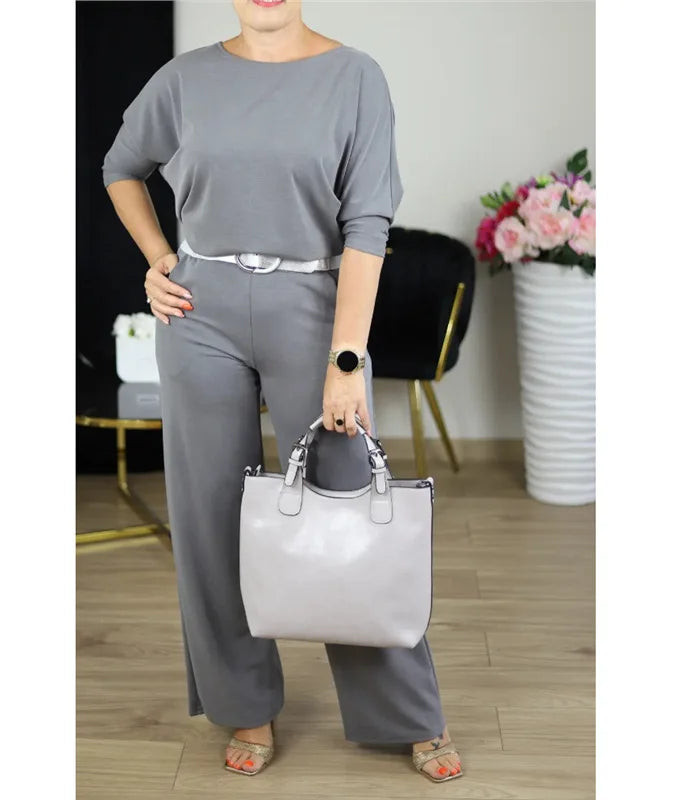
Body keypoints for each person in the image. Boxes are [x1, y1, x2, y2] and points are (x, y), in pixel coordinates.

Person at [102, 0, 463, 784]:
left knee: (347, 502)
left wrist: (347, 358)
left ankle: (405, 712)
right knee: (209, 514)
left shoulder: (354, 77)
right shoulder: (185, 79)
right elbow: (120, 167)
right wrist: (159, 258)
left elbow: (368, 226)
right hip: (199, 312)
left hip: (315, 309)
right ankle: (245, 703)